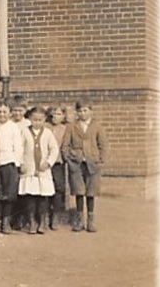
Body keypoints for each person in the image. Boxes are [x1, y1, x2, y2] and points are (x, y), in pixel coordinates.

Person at [61, 99, 108, 233]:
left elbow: (103, 145)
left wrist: (100, 160)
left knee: (91, 192)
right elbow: (65, 146)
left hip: (92, 164)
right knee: (79, 192)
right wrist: (69, 160)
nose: (82, 113)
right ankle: (79, 220)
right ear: (76, 112)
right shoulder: (72, 126)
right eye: (80, 111)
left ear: (91, 111)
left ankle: (91, 221)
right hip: (76, 164)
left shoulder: (97, 126)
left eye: (85, 110)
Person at [19, 106, 60, 234]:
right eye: (34, 120)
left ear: (45, 120)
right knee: (30, 197)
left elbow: (54, 149)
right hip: (29, 170)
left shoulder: (47, 133)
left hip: (43, 171)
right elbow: (19, 148)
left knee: (43, 198)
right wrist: (21, 163)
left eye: (40, 120)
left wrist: (48, 163)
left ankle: (42, 222)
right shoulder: (24, 132)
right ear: (30, 119)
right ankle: (32, 222)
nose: (37, 122)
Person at [0, 99, 24, 234]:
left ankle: (6, 220)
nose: (2, 114)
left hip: (9, 163)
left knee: (9, 194)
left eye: (5, 112)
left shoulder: (13, 127)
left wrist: (16, 163)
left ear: (10, 113)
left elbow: (18, 147)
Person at [47, 104, 69, 229]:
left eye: (59, 114)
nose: (56, 116)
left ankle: (55, 215)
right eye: (54, 114)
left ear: (64, 116)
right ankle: (45, 215)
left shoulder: (65, 129)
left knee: (58, 188)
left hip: (58, 162)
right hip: (45, 162)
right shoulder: (46, 127)